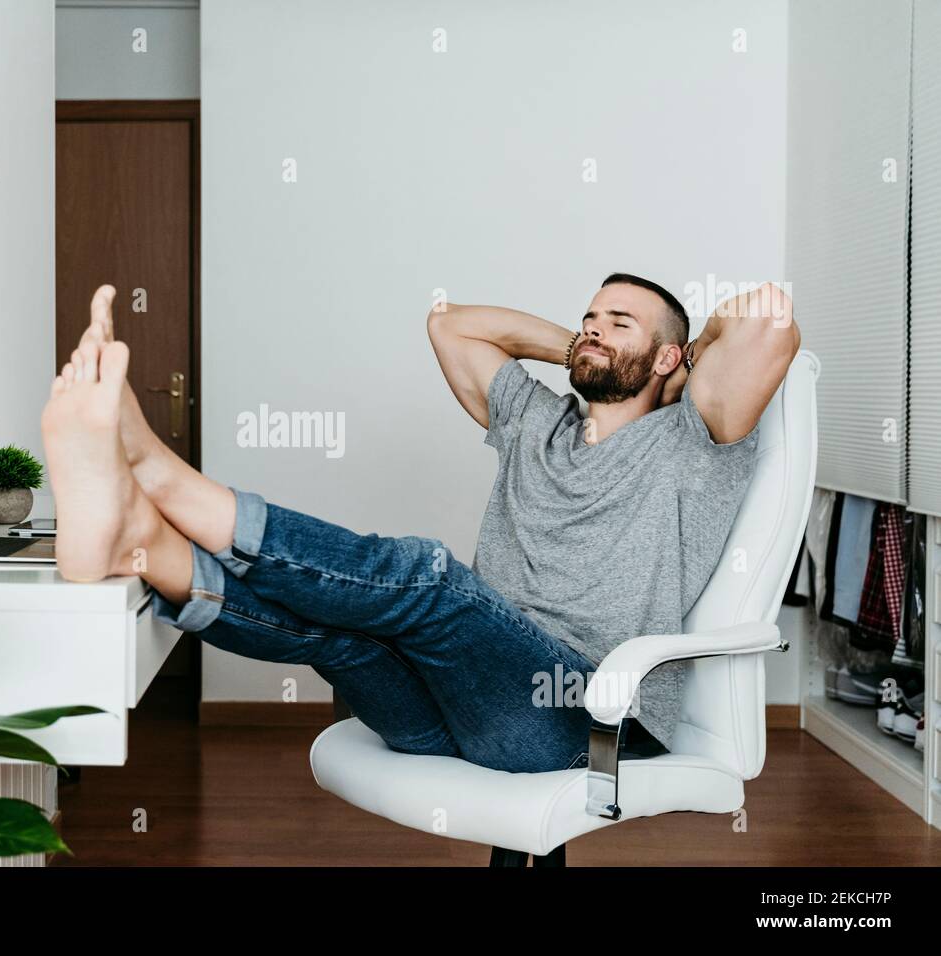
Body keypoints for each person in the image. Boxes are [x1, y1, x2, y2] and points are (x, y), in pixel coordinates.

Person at [40, 276, 800, 773]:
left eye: (619, 323)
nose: (594, 329)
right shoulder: (537, 418)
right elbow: (450, 325)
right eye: (588, 319)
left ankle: (161, 475)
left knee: (430, 580)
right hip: (444, 713)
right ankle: (148, 544)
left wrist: (694, 352)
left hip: (576, 718)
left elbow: (769, 323)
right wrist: (576, 346)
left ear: (671, 356)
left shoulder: (695, 440)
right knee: (343, 635)